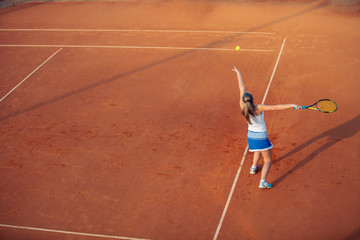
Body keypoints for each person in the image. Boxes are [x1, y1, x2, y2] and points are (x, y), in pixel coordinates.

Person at [232, 66, 301, 189]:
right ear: (252, 100)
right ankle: (262, 182)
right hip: (261, 137)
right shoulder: (258, 108)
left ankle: (253, 167)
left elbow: (241, 88)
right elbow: (276, 107)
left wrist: (238, 73)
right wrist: (292, 105)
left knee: (257, 150)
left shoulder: (242, 106)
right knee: (268, 160)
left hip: (251, 136)